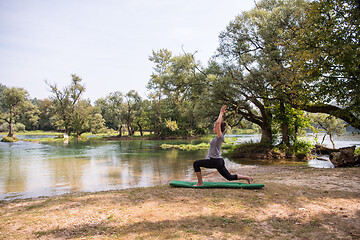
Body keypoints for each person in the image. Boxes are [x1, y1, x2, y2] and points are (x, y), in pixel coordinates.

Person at [193, 105, 253, 186]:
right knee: (229, 177)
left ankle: (200, 182)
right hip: (219, 161)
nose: (213, 129)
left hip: (215, 161)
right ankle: (248, 178)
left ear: (218, 129)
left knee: (196, 164)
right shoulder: (217, 137)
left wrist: (221, 113)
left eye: (214, 128)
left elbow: (218, 123)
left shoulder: (219, 137)